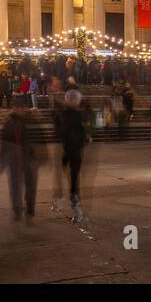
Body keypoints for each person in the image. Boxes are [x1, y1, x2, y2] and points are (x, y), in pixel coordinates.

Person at [53, 88, 87, 221]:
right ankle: (74, 206)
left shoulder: (63, 114)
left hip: (67, 149)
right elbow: (78, 132)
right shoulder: (75, 115)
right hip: (72, 150)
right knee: (72, 179)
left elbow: (59, 130)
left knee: (65, 176)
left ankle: (60, 200)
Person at [0, 108, 38, 221]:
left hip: (16, 160)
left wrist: (2, 160)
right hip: (27, 158)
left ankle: (18, 210)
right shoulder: (28, 123)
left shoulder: (8, 124)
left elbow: (3, 144)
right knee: (28, 185)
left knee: (16, 186)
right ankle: (28, 209)